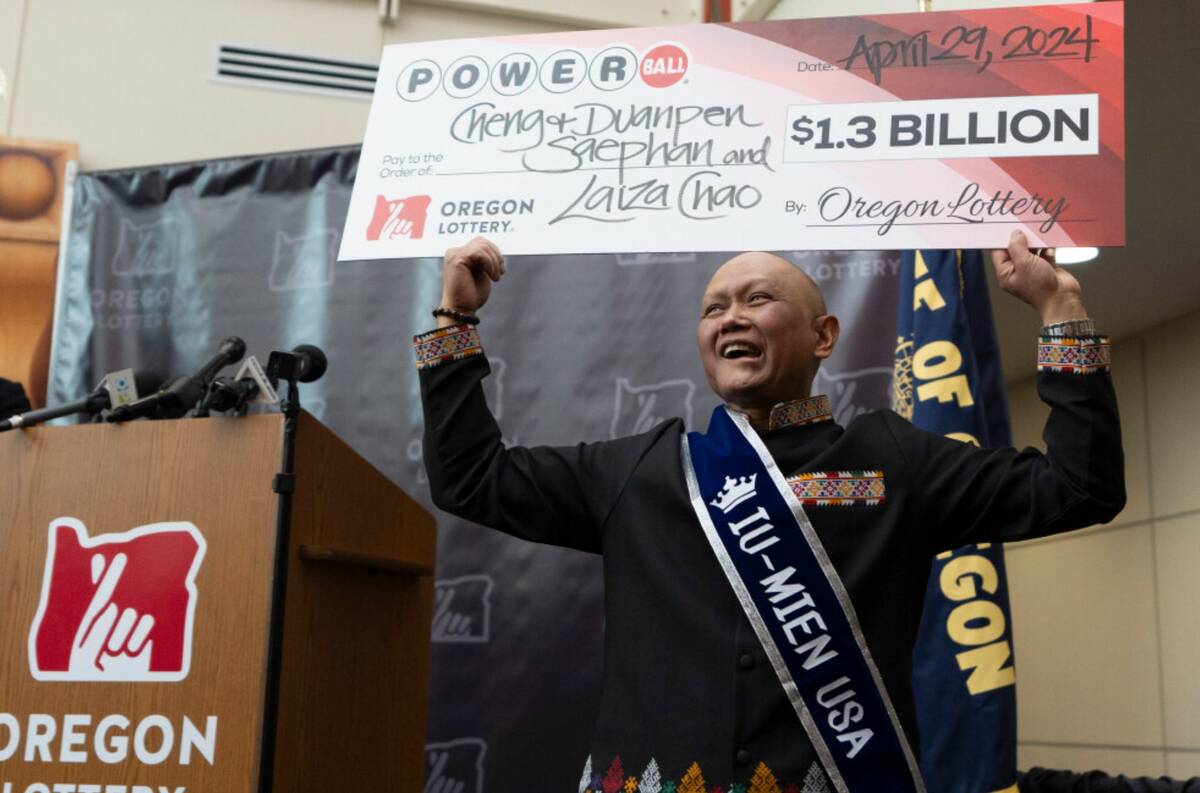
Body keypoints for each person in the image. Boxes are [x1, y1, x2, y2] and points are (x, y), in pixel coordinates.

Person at [414, 232, 1124, 792]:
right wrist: (455, 316)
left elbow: (1080, 485)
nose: (731, 318)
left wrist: (1059, 306)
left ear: (824, 336)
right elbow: (473, 478)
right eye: (714, 307)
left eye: (757, 299)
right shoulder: (641, 471)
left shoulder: (895, 463)